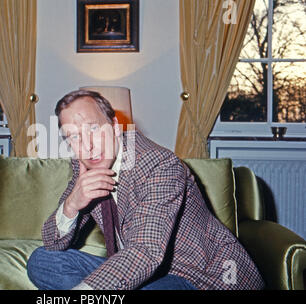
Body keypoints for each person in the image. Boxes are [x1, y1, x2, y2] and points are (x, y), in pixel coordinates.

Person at [26, 90, 265, 290]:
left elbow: (145, 251)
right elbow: (53, 243)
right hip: (143, 271)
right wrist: (71, 206)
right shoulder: (84, 166)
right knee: (43, 261)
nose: (87, 146)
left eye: (93, 129)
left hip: (200, 276)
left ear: (116, 126)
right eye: (74, 138)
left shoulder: (159, 164)